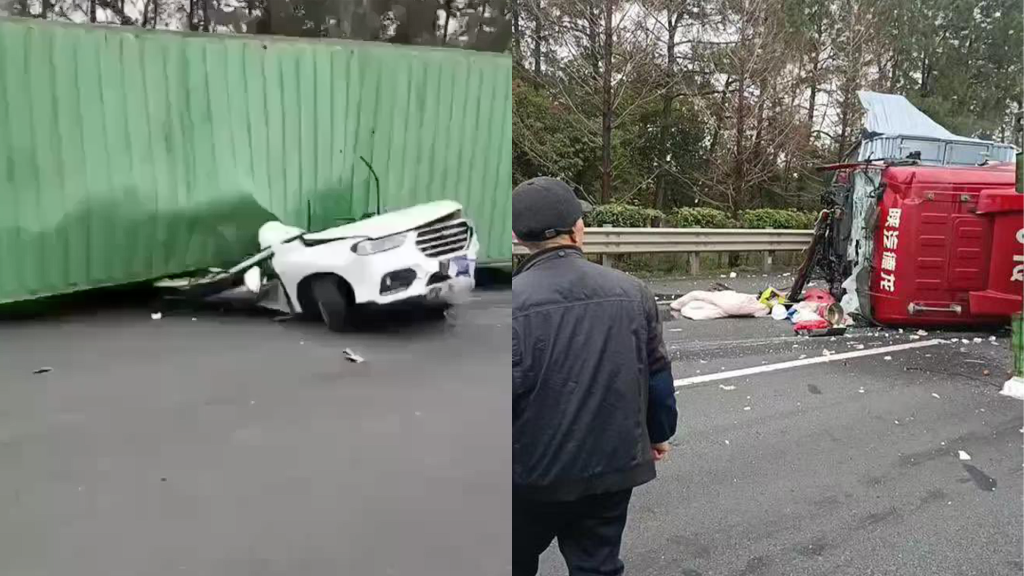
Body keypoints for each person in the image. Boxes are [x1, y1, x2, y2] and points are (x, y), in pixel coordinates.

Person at [512, 177, 678, 576]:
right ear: (578, 229)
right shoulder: (633, 292)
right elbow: (656, 375)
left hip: (528, 479)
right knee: (597, 566)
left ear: (518, 237)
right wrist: (658, 433)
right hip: (610, 470)